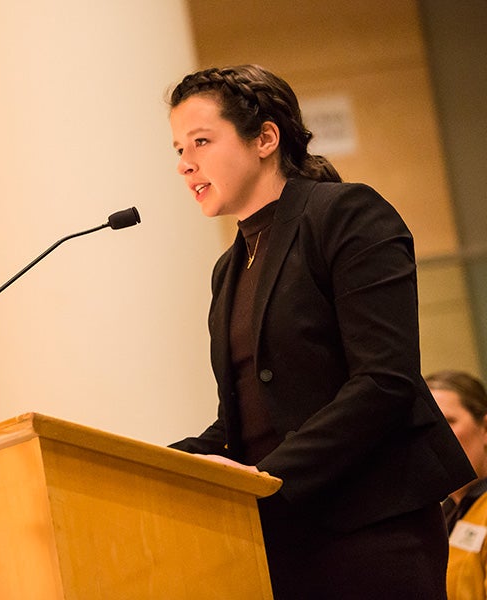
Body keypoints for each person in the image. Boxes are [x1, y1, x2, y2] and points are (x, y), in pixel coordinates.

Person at [166, 64, 475, 599]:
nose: (185, 165)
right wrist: (159, 463)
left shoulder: (346, 215)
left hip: (374, 527)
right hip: (285, 538)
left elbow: (383, 380)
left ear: (264, 138)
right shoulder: (229, 268)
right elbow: (247, 418)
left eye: (200, 141)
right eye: (177, 149)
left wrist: (266, 478)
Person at [427, 370, 487, 599]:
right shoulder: (440, 515)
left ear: (485, 429)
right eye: (428, 425)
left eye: (448, 422)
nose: (436, 436)